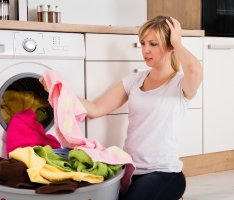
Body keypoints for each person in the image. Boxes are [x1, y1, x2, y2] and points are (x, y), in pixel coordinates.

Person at [39, 15, 203, 200]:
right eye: (143, 43)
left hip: (163, 172)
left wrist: (177, 42)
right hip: (129, 169)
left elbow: (195, 69)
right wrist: (60, 89)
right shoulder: (134, 81)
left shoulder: (179, 84)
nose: (145, 50)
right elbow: (96, 108)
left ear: (170, 46)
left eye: (153, 44)